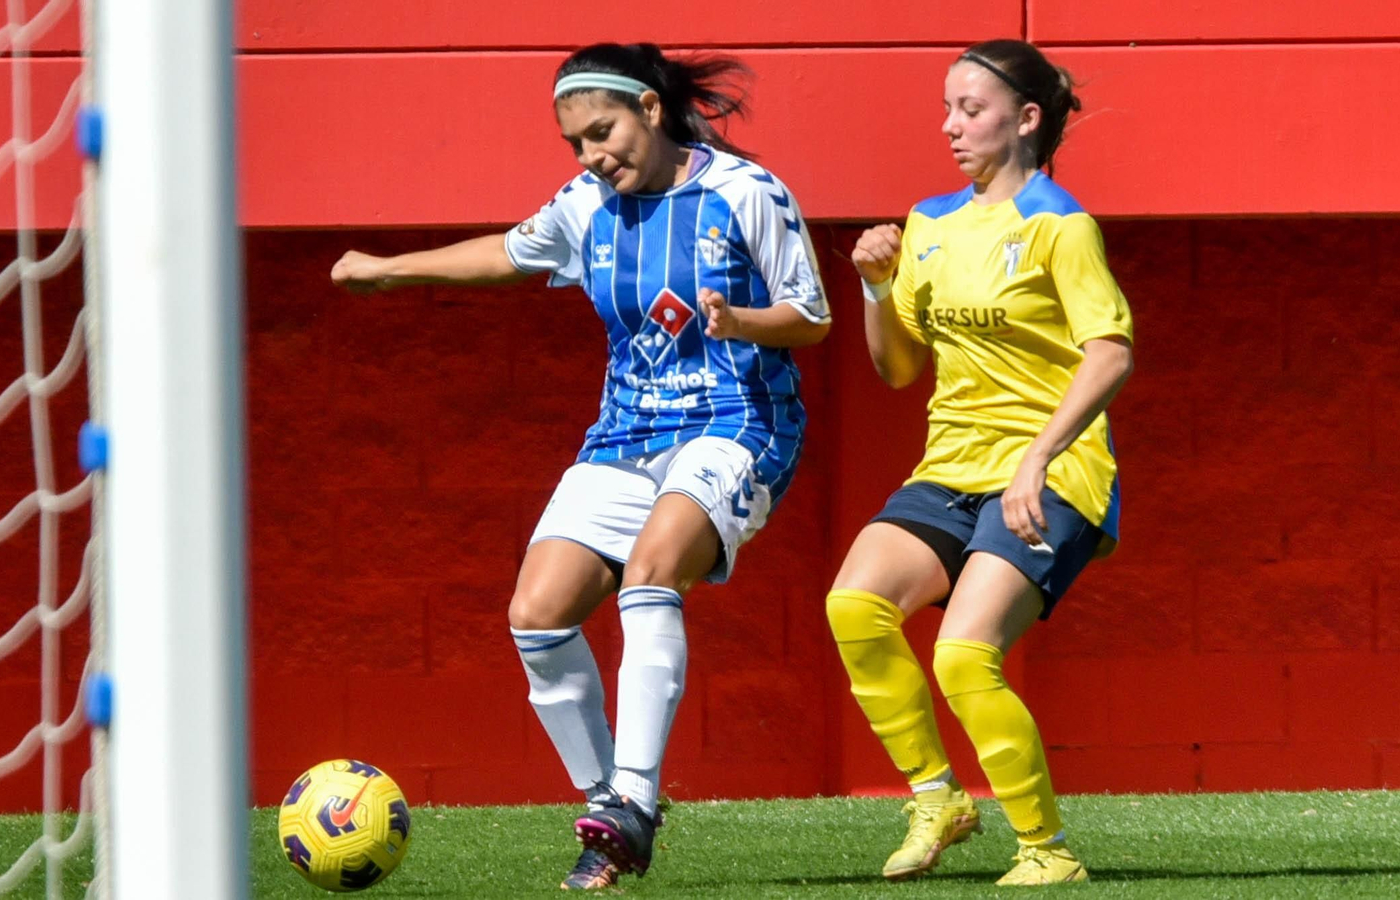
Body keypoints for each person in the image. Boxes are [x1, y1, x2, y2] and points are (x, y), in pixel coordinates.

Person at [331, 42, 830, 891]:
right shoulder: (585, 203)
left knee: (650, 572)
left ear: (649, 107)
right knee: (536, 614)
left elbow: (810, 317)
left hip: (736, 423)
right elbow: (510, 252)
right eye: (577, 145)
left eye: (603, 133)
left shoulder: (747, 192)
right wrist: (389, 271)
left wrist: (741, 322)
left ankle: (632, 800)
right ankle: (611, 805)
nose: (594, 156)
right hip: (624, 434)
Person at [828, 38, 1133, 887]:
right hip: (952, 467)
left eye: (971, 109)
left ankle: (1047, 851)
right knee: (854, 605)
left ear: (1026, 119)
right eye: (947, 108)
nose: (949, 126)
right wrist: (874, 289)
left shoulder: (1059, 225)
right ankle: (938, 799)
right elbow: (898, 370)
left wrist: (1037, 461)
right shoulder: (930, 223)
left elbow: (1109, 354)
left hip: (1051, 473)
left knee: (963, 656)